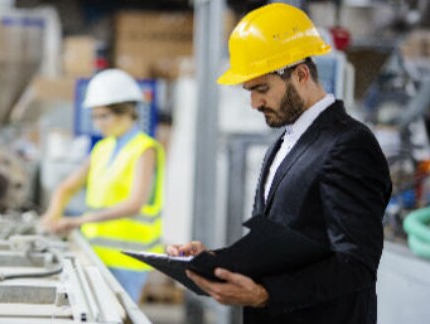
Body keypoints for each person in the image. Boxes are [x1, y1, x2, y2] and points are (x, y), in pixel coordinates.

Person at [166, 3, 392, 324]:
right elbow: (280, 245)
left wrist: (265, 294)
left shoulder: (348, 145)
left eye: (262, 89)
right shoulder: (285, 143)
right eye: (249, 90)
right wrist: (216, 261)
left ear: (300, 74)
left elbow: (356, 263)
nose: (254, 103)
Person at [41, 69, 165, 302]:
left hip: (129, 260)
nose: (98, 123)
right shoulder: (103, 148)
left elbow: (134, 204)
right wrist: (52, 215)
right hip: (96, 254)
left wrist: (76, 221)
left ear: (127, 112)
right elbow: (67, 187)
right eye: (95, 116)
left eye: (104, 116)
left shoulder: (144, 149)